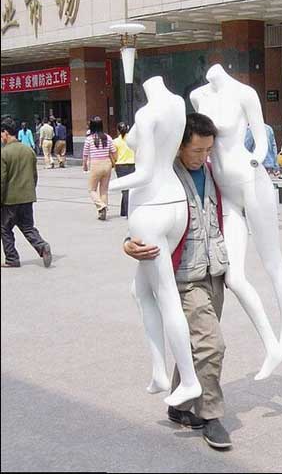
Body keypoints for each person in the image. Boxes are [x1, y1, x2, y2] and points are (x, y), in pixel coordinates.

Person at [124, 112, 232, 449]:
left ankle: (180, 405)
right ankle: (211, 416)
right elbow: (140, 219)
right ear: (179, 145)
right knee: (211, 345)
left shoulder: (215, 173)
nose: (203, 157)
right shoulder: (163, 178)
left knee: (196, 344)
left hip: (215, 272)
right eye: (197, 150)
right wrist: (128, 243)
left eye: (208, 150)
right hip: (183, 278)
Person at [191, 63, 282, 371]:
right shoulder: (198, 96)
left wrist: (255, 160)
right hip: (223, 189)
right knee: (233, 277)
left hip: (250, 180)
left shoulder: (244, 93)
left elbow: (261, 138)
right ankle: (271, 346)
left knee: (272, 260)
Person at [109, 77, 202, 409]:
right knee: (140, 291)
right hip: (175, 203)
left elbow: (145, 173)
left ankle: (188, 379)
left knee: (165, 295)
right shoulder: (177, 103)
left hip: (151, 208)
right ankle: (159, 372)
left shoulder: (147, 114)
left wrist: (106, 186)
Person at [1, 118, 52, 268]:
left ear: (6, 133)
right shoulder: (29, 151)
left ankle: (12, 258)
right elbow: (34, 175)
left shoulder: (4, 153)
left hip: (10, 199)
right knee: (28, 227)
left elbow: (2, 180)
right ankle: (42, 246)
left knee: (5, 228)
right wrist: (30, 191)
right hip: (27, 197)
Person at [82, 116, 117, 221]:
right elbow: (114, 151)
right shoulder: (108, 137)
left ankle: (101, 206)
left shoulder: (89, 139)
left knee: (92, 189)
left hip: (95, 164)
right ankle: (102, 213)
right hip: (107, 163)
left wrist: (84, 165)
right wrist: (115, 162)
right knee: (104, 190)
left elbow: (85, 154)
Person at [112, 121, 136, 217]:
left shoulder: (115, 141)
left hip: (120, 166)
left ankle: (126, 211)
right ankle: (125, 211)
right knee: (130, 188)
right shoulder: (133, 139)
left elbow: (114, 155)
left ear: (118, 130)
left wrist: (114, 164)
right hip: (132, 164)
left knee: (124, 189)